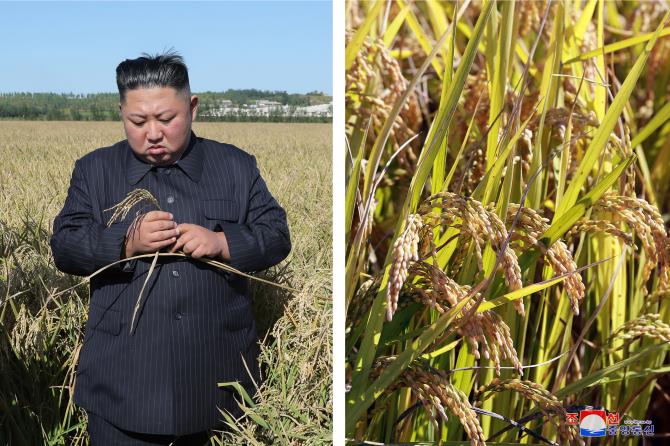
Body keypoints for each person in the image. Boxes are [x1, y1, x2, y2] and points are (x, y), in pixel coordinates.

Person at [50, 52, 291, 445]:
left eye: (166, 119)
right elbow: (65, 246)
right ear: (121, 113)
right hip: (122, 387)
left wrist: (222, 242)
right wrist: (126, 243)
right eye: (138, 121)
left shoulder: (235, 166)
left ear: (192, 107)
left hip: (220, 387)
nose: (153, 133)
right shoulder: (95, 171)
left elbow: (277, 234)